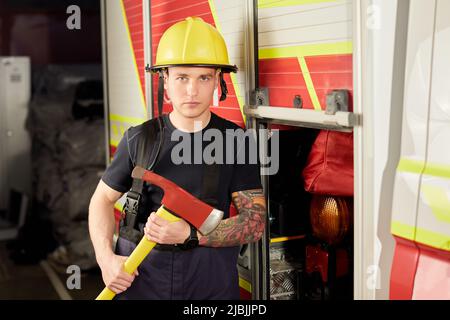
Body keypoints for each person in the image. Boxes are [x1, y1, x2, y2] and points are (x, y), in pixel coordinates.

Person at [88, 16, 266, 300]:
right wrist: (106, 259)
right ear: (166, 82)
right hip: (141, 281)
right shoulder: (139, 139)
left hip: (209, 284)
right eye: (182, 77)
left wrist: (190, 234)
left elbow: (255, 223)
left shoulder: (236, 141)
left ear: (218, 82)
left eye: (204, 78)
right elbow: (101, 200)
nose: (192, 91)